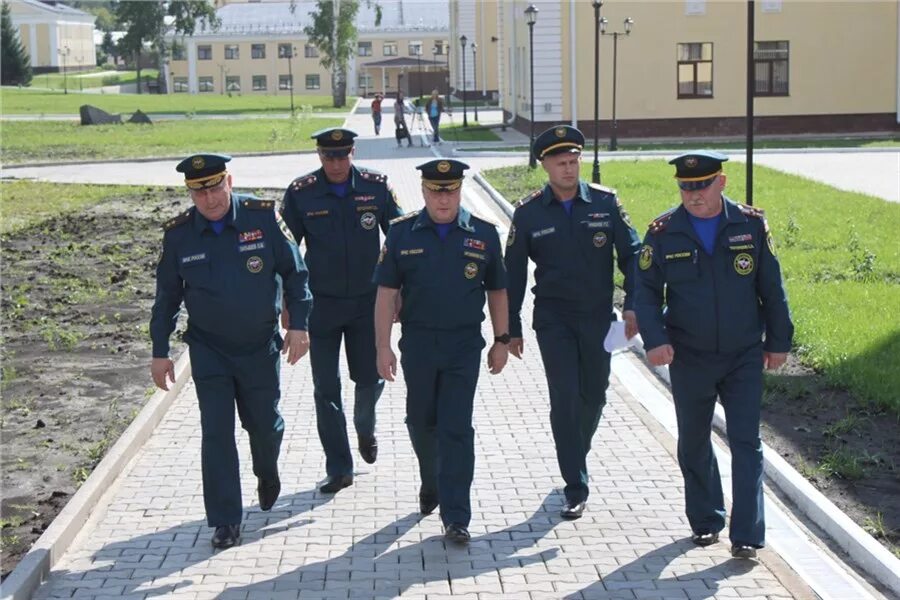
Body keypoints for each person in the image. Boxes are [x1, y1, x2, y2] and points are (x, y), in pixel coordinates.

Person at [634, 150, 794, 559]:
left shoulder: (749, 225)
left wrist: (778, 341)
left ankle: (747, 534)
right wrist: (655, 338)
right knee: (693, 440)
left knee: (746, 441)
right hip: (690, 353)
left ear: (721, 182)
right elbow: (646, 293)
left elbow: (771, 288)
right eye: (686, 188)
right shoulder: (663, 232)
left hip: (742, 353)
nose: (693, 195)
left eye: (701, 186)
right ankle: (706, 520)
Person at [150, 153, 312, 549]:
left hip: (259, 348)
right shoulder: (179, 236)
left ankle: (267, 469)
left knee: (264, 426)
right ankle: (225, 520)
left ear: (229, 181)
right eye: (198, 191)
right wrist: (159, 351)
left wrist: (299, 325)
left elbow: (295, 273)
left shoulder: (262, 218)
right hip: (210, 349)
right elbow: (167, 298)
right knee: (216, 433)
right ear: (190, 193)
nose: (208, 199)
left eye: (214, 186)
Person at [505, 125, 642, 520]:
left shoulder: (606, 204)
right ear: (545, 165)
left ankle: (573, 452)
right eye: (560, 162)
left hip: (599, 318)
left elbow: (632, 257)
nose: (569, 169)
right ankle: (575, 484)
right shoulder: (529, 212)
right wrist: (510, 327)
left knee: (595, 395)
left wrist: (633, 305)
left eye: (574, 161)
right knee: (565, 397)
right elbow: (512, 273)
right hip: (553, 320)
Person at [373, 159, 509, 544]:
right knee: (420, 421)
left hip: (463, 346)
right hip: (417, 345)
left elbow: (497, 290)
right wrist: (382, 346)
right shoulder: (401, 234)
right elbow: (385, 294)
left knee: (456, 427)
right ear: (424, 191)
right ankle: (430, 479)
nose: (443, 197)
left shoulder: (483, 234)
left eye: (449, 189)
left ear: (460, 189)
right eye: (435, 190)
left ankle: (456, 515)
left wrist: (501, 339)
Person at [280, 128, 403, 495]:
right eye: (328, 156)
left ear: (353, 152)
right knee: (325, 389)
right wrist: (288, 303)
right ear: (319, 156)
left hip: (368, 305)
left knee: (370, 380)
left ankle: (365, 426)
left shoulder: (376, 187)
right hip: (321, 304)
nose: (336, 163)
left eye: (342, 155)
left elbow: (399, 239)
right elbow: (285, 252)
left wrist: (400, 293)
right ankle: (339, 467)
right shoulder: (301, 193)